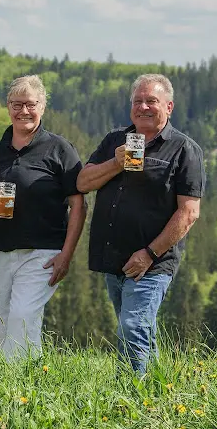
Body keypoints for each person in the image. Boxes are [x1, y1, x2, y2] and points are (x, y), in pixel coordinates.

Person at [76, 73, 205, 377]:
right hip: (113, 257)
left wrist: (149, 253)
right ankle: (158, 393)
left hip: (153, 262)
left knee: (132, 327)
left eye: (152, 101)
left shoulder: (184, 149)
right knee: (139, 328)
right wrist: (115, 163)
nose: (143, 107)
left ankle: (131, 398)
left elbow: (189, 213)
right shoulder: (115, 141)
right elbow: (83, 182)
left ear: (169, 107)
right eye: (138, 101)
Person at [0, 75, 86, 361]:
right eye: (16, 104)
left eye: (30, 104)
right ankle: (22, 385)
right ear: (8, 107)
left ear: (43, 106)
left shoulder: (60, 149)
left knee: (22, 317)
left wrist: (66, 255)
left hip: (43, 252)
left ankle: (20, 387)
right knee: (3, 326)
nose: (24, 111)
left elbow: (79, 205)